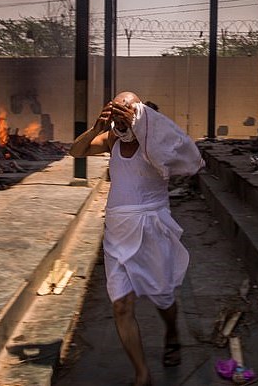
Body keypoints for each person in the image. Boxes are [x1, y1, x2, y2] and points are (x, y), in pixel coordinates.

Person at [69, 91, 204, 386]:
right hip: (118, 234)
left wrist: (144, 127)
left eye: (126, 112)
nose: (120, 120)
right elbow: (76, 151)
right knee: (120, 305)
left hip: (152, 230)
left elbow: (189, 158)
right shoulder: (113, 140)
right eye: (116, 113)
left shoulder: (156, 143)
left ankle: (172, 333)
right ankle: (142, 374)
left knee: (163, 296)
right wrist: (96, 128)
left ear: (141, 114)